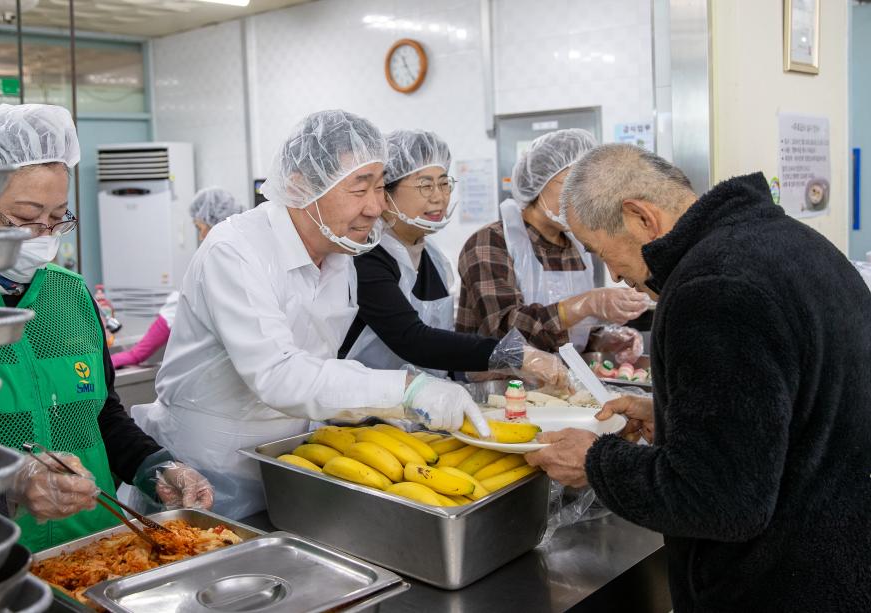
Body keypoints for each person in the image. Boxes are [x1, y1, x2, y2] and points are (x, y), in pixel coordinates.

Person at [524, 144, 871, 611]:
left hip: (785, 584)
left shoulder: (712, 289)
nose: (616, 275)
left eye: (603, 252)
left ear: (641, 218)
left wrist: (597, 463)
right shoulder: (788, 240)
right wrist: (673, 413)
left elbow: (721, 500)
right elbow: (791, 404)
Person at [133, 110, 491, 520]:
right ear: (302, 183)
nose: (376, 207)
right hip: (206, 474)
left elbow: (319, 366)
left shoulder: (340, 256)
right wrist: (406, 390)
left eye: (380, 188)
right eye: (360, 188)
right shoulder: (236, 250)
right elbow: (279, 374)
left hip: (289, 465)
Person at [0, 103, 213, 552]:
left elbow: (101, 413)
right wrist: (13, 480)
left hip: (94, 547)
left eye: (58, 217)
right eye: (23, 218)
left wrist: (155, 466)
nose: (44, 235)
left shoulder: (70, 295)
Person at [339, 129, 570, 386]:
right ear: (386, 192)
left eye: (444, 183)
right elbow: (412, 340)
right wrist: (516, 355)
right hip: (360, 412)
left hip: (417, 408)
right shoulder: (365, 257)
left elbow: (437, 347)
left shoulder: (431, 258)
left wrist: (475, 371)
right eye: (425, 185)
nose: (439, 197)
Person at [456, 129, 648, 362]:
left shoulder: (576, 246)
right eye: (571, 183)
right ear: (539, 182)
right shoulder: (491, 242)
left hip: (556, 390)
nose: (582, 196)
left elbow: (569, 334)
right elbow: (504, 330)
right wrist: (587, 304)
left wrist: (602, 339)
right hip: (498, 390)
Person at [110, 186, 242, 369]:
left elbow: (180, 305)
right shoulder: (242, 254)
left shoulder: (214, 259)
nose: (202, 236)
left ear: (213, 223)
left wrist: (135, 354)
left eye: (200, 227)